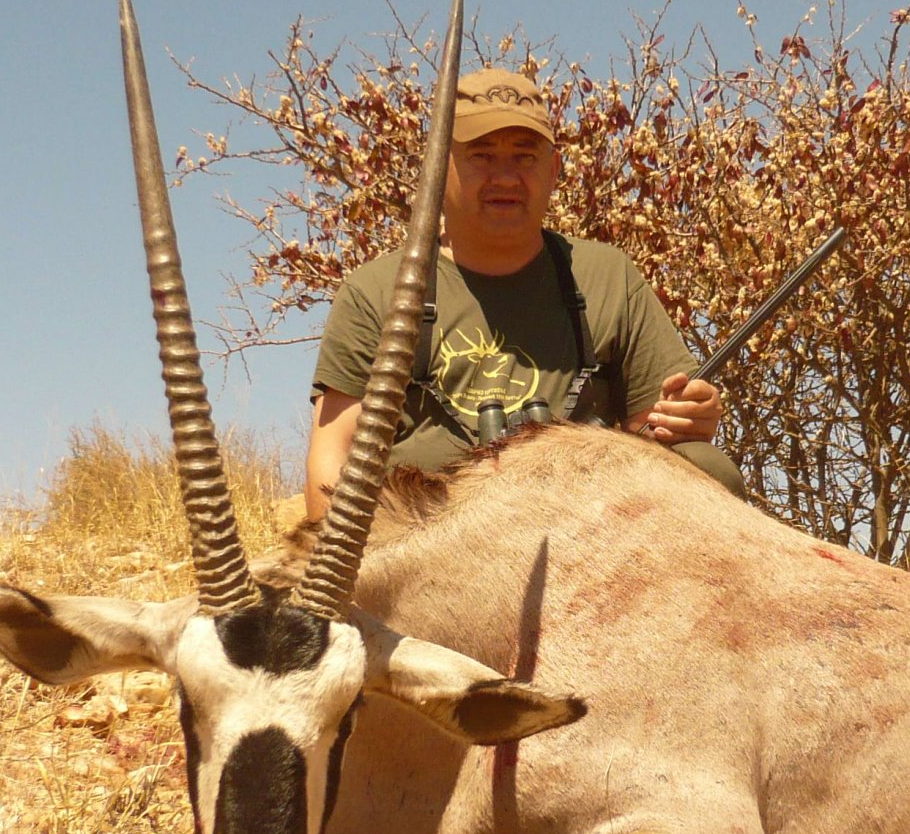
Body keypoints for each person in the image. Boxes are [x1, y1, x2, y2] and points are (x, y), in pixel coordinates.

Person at [305, 67, 744, 519]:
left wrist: (687, 417)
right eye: (482, 155)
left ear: (553, 170)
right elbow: (333, 457)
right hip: (432, 533)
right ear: (438, 166)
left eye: (525, 156)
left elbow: (654, 431)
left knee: (706, 467)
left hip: (582, 524)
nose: (506, 177)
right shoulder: (374, 292)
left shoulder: (609, 276)